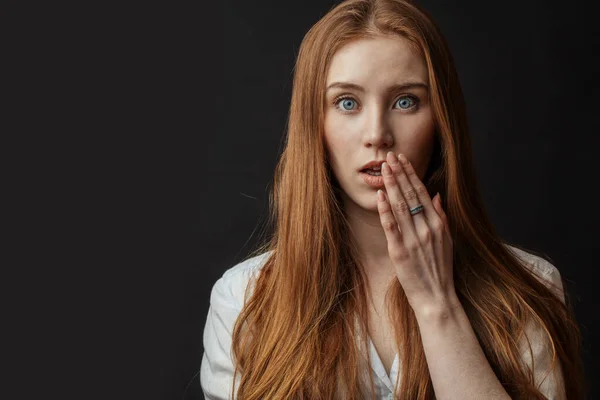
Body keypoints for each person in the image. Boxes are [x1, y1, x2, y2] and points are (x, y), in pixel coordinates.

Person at [201, 0, 585, 398]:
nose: (377, 134)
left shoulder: (529, 288)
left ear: (441, 121)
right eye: (347, 103)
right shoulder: (243, 300)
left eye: (405, 101)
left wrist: (437, 304)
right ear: (315, 125)